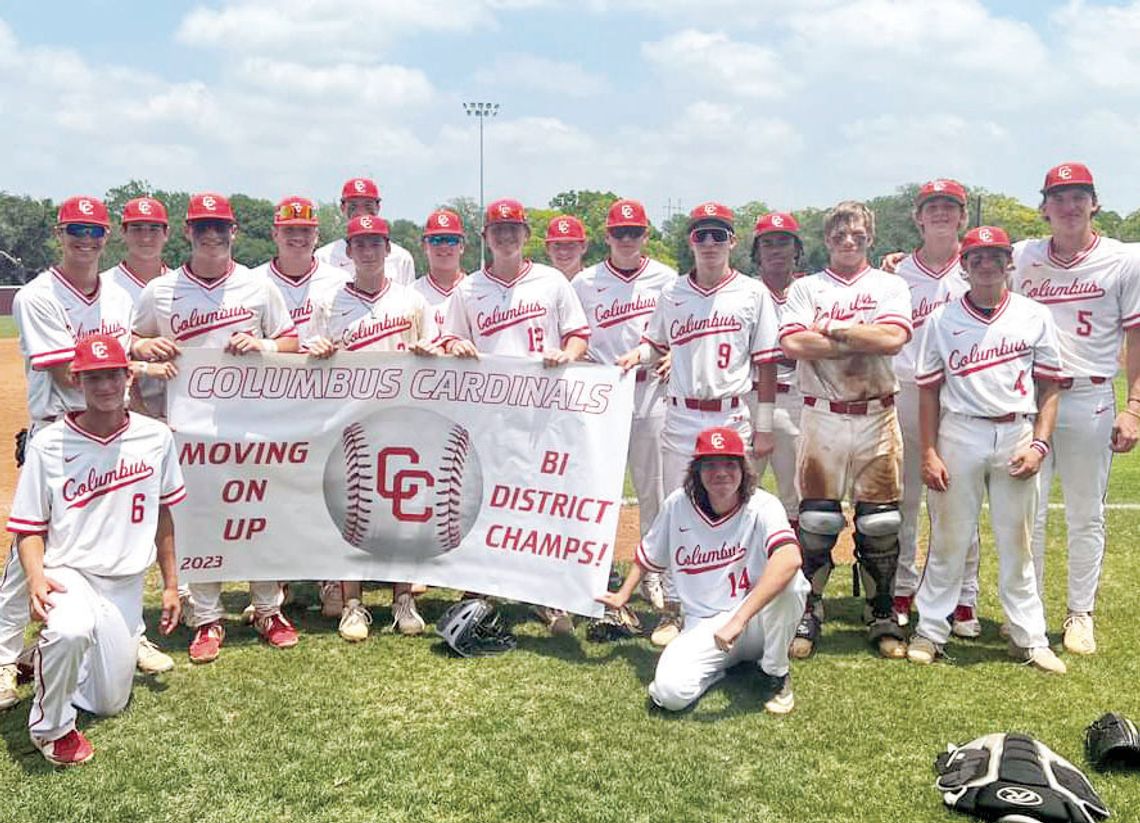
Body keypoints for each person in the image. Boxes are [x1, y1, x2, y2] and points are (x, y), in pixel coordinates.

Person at [132, 192, 300, 664]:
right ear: (187, 231)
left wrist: (263, 343)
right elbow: (132, 337)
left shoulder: (256, 286)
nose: (212, 233)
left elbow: (292, 341)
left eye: (220, 225)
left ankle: (268, 609)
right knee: (201, 521)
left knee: (259, 514)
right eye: (203, 225)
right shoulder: (161, 291)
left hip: (253, 424)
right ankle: (207, 617)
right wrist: (145, 349)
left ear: (233, 232)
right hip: (191, 431)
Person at [6, 334, 185, 764]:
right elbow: (29, 527)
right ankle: (51, 729)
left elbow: (163, 517)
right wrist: (34, 579)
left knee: (107, 704)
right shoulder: (49, 443)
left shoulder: (156, 437)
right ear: (76, 381)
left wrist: (171, 585)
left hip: (124, 584)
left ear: (128, 377)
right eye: (93, 378)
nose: (104, 386)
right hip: (70, 571)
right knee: (70, 630)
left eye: (112, 375)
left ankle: (44, 656)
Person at [617, 202, 780, 647]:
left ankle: (731, 597)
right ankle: (673, 605)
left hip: (731, 412)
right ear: (690, 241)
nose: (709, 243)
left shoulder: (752, 292)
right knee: (678, 507)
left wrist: (764, 426)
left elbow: (766, 365)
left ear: (732, 241)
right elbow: (655, 343)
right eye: (700, 235)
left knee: (734, 507)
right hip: (682, 413)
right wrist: (638, 355)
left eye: (718, 235)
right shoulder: (672, 293)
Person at [0, 196, 139, 710]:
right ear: (60, 233)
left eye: (95, 231)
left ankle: (120, 634)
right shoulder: (37, 296)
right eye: (76, 230)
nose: (86, 240)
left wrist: (143, 357)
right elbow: (65, 373)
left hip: (109, 433)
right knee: (28, 553)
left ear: (107, 238)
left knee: (107, 540)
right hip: (58, 436)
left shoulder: (119, 299)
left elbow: (120, 360)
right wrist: (134, 373)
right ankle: (3, 655)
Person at [908, 227, 1066, 674]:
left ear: (1007, 262)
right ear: (965, 264)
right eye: (977, 257)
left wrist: (1040, 443)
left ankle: (1029, 636)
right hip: (960, 431)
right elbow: (927, 392)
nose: (986, 265)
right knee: (948, 540)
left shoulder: (1033, 315)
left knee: (1018, 544)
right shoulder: (941, 319)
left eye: (995, 256)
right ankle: (931, 631)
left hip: (1016, 430)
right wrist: (929, 452)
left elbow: (1051, 386)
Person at [441, 197, 591, 635]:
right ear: (485, 238)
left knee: (541, 499)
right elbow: (451, 338)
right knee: (483, 498)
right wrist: (456, 347)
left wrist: (567, 354)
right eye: (497, 230)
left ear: (526, 235)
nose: (506, 236)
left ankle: (544, 593)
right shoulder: (467, 289)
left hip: (543, 413)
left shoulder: (551, 282)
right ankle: (477, 586)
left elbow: (578, 335)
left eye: (514, 229)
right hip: (488, 415)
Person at [1011, 162, 1140, 656]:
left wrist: (1133, 407)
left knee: (1086, 513)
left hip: (1090, 394)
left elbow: (1136, 337)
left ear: (1095, 202)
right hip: (1033, 398)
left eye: (1079, 196)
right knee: (1031, 512)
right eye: (1059, 198)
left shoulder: (1122, 259)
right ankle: (1031, 612)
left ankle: (1080, 612)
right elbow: (963, 264)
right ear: (1044, 207)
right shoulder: (1022, 256)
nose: (1069, 206)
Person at [779, 200, 912, 659]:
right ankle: (808, 608)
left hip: (877, 411)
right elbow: (795, 343)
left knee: (880, 520)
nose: (848, 240)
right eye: (838, 234)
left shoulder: (889, 285)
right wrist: (862, 336)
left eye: (857, 233)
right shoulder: (806, 287)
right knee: (816, 519)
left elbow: (893, 340)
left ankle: (879, 611)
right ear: (827, 239)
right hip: (823, 413)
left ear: (869, 237)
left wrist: (833, 330)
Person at [598, 426, 807, 714]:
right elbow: (650, 553)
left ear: (743, 469)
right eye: (710, 464)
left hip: (757, 621)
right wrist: (623, 594)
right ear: (696, 470)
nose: (720, 472)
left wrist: (740, 620)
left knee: (793, 583)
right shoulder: (678, 505)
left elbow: (790, 558)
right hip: (706, 627)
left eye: (729, 464)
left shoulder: (763, 505)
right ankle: (720, 669)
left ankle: (774, 672)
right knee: (669, 694)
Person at [307, 214, 442, 641]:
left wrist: (429, 350)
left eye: (375, 243)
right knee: (353, 509)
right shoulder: (327, 301)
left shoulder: (412, 300)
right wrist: (320, 351)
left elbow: (437, 352)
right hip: (349, 420)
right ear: (348, 252)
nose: (367, 251)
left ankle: (404, 598)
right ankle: (352, 603)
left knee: (404, 509)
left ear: (388, 249)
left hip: (404, 418)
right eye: (359, 244)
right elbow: (309, 354)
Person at [573, 199, 676, 614]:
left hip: (650, 392)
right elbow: (574, 335)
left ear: (646, 235)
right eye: (620, 232)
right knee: (596, 490)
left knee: (654, 492)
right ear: (607, 237)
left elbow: (682, 334)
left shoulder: (667, 279)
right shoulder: (585, 281)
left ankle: (653, 573)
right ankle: (591, 572)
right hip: (601, 397)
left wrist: (674, 355)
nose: (627, 239)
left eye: (634, 232)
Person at [890, 180, 982, 637]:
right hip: (908, 390)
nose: (942, 213)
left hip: (964, 393)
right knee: (906, 497)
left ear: (963, 216)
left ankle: (965, 595)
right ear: (919, 217)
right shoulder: (895, 274)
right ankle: (904, 586)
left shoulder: (980, 266)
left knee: (959, 498)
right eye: (933, 207)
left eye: (951, 206)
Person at [99, 196, 185, 676]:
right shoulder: (107, 286)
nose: (146, 235)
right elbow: (95, 355)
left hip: (176, 419)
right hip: (120, 415)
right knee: (122, 527)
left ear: (168, 233)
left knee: (172, 513)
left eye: (154, 228)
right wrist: (140, 357)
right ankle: (131, 630)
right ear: (123, 232)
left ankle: (184, 596)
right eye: (137, 227)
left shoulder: (177, 281)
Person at [749, 212, 805, 533]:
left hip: (796, 398)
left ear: (796, 248)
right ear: (756, 251)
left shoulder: (811, 290)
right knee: (740, 485)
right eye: (767, 243)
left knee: (796, 493)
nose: (775, 249)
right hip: (749, 397)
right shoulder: (743, 291)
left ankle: (794, 570)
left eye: (783, 241)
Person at [315, 177, 416, 286]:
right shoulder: (323, 257)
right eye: (353, 206)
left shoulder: (401, 258)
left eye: (368, 206)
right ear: (342, 208)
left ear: (378, 207)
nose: (361, 212)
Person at [412, 208, 467, 332]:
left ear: (462, 246)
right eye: (435, 240)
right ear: (425, 246)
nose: (443, 246)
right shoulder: (411, 294)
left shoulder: (474, 291)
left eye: (451, 240)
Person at [545, 214, 589, 279]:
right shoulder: (538, 285)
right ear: (547, 248)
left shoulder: (595, 283)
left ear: (584, 247)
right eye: (557, 244)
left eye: (571, 244)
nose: (563, 251)